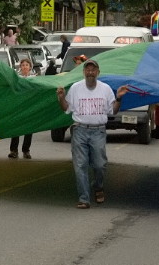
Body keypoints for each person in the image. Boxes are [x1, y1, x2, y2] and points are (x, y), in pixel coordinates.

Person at [56, 59, 129, 209]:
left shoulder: (106, 89)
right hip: (79, 130)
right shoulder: (76, 88)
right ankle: (84, 199)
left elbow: (113, 111)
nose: (90, 73)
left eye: (93, 70)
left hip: (98, 131)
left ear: (98, 72)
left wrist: (119, 97)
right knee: (80, 165)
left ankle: (99, 187)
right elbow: (66, 108)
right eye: (87, 70)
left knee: (100, 164)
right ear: (83, 72)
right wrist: (61, 98)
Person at [9, 58, 36, 159]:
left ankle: (26, 150)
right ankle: (13, 150)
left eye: (27, 65)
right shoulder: (17, 78)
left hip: (30, 107)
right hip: (19, 108)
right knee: (16, 129)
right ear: (20, 67)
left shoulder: (34, 79)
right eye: (23, 65)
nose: (25, 67)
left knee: (28, 129)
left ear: (30, 67)